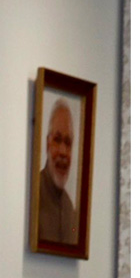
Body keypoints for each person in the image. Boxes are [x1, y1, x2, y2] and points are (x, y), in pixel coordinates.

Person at [38, 99, 80, 246]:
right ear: (47, 145)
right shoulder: (33, 195)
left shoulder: (70, 210)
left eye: (68, 143)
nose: (63, 152)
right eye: (57, 140)